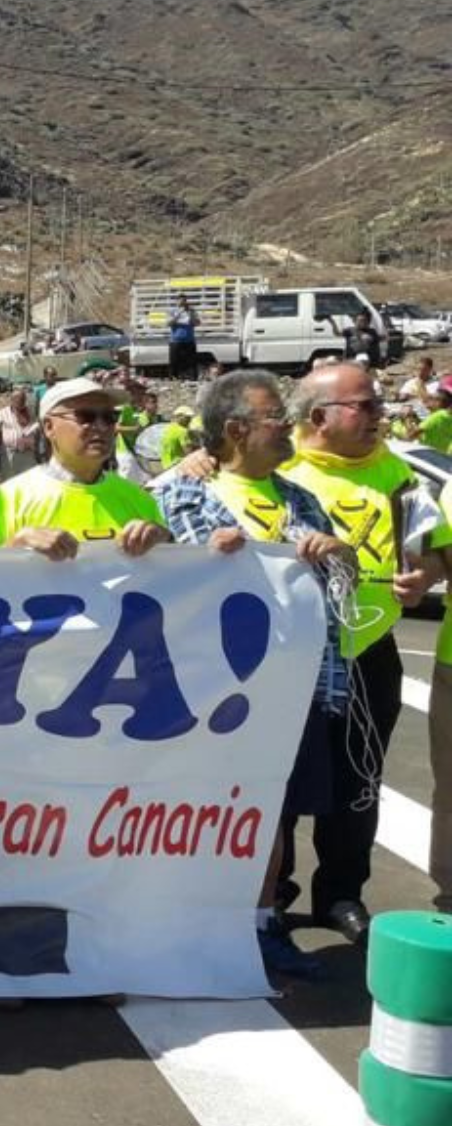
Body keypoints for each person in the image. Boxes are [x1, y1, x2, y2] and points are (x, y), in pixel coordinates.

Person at [155, 371, 358, 978]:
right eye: (277, 419)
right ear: (237, 430)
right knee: (201, 808)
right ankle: (186, 921)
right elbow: (167, 579)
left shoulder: (301, 500)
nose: (290, 428)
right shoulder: (183, 493)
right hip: (208, 692)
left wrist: (336, 553)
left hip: (292, 687)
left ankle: (262, 924)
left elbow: (343, 584)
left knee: (273, 810)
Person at [275, 362, 444, 945]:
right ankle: (273, 893)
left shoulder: (398, 473)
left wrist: (422, 578)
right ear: (319, 416)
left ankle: (341, 893)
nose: (379, 415)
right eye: (364, 406)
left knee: (359, 781)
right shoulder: (279, 464)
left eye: (378, 405)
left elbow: (434, 552)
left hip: (370, 651)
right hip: (289, 656)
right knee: (282, 780)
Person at [0, 378, 168, 559]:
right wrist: (14, 548)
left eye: (110, 417)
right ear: (49, 427)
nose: (101, 426)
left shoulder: (140, 500)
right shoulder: (10, 499)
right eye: (86, 416)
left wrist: (164, 542)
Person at [0, 387, 38, 481]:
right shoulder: (2, 413)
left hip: (28, 453)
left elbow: (36, 427)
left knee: (29, 480)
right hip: (10, 453)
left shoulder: (31, 412)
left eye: (23, 399)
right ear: (12, 400)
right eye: (17, 399)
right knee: (9, 480)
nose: (20, 401)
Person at [169, 297, 199, 381]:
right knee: (174, 362)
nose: (182, 303)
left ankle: (192, 379)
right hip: (175, 341)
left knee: (191, 362)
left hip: (189, 340)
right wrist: (178, 314)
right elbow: (168, 323)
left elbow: (197, 323)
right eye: (180, 301)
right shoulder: (173, 311)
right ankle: (174, 379)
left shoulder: (192, 311)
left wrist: (190, 315)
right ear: (177, 302)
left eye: (184, 301)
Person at [420, 383, 452, 453]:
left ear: (438, 402)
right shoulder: (447, 415)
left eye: (432, 399)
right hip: (442, 455)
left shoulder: (436, 416)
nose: (430, 401)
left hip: (430, 454)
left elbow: (409, 436)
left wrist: (407, 420)